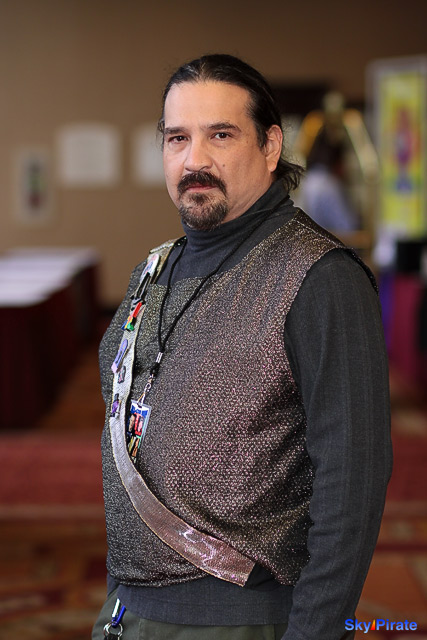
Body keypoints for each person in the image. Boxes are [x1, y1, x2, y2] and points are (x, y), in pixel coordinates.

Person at [93, 54, 392, 640]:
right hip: (126, 612)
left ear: (271, 146)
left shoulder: (320, 278)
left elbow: (353, 486)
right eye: (177, 138)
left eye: (220, 135)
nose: (194, 160)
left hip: (245, 621)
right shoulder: (151, 271)